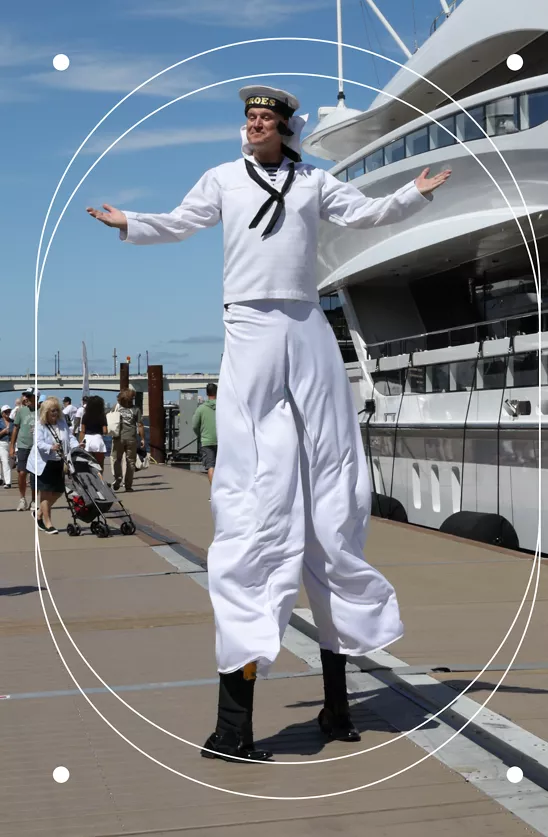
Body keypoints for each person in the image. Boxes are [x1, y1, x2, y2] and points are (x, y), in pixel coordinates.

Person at [87, 84, 451, 763]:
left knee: (333, 471)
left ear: (285, 129)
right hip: (250, 321)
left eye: (263, 120)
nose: (252, 127)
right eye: (248, 119)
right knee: (260, 476)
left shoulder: (314, 182)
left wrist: (417, 193)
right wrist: (128, 221)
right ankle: (238, 723)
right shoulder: (224, 177)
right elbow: (179, 220)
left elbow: (368, 212)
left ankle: (336, 704)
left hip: (304, 319)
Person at [27, 397, 79, 534]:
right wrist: (51, 447)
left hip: (58, 461)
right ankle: (48, 523)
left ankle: (39, 513)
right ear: (45, 412)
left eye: (57, 410)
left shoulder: (62, 423)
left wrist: (77, 447)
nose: (55, 413)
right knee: (45, 492)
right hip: (43, 463)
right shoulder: (40, 425)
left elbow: (70, 438)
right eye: (52, 411)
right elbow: (38, 443)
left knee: (59, 491)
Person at [110, 388, 145, 492]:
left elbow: (109, 419)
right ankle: (128, 485)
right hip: (131, 439)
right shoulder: (136, 409)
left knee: (116, 459)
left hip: (118, 438)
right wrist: (142, 439)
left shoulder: (116, 408)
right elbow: (140, 425)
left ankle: (118, 478)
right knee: (131, 462)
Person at [9, 388, 38, 512]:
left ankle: (34, 500)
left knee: (34, 475)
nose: (26, 398)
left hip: (37, 447)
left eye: (29, 396)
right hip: (23, 446)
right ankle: (22, 499)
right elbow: (15, 429)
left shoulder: (42, 411)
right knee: (21, 473)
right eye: (25, 396)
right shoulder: (21, 411)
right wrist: (12, 446)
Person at [192, 383, 218, 485]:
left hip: (206, 441)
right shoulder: (223, 407)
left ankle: (214, 492)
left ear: (207, 393)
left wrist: (200, 434)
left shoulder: (201, 409)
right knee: (222, 466)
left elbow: (194, 425)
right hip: (222, 441)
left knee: (210, 466)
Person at [79, 395, 108, 472]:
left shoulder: (85, 416)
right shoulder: (102, 416)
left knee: (87, 465)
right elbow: (105, 431)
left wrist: (80, 443)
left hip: (87, 440)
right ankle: (100, 481)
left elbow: (82, 431)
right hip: (98, 440)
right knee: (100, 465)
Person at [0, 405, 13, 489]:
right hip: (2, 443)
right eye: (6, 412)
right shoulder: (0, 422)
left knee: (10, 462)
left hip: (11, 443)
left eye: (9, 411)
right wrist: (3, 432)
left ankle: (1, 479)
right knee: (5, 461)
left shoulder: (13, 422)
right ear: (2, 413)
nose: (8, 413)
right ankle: (8, 482)